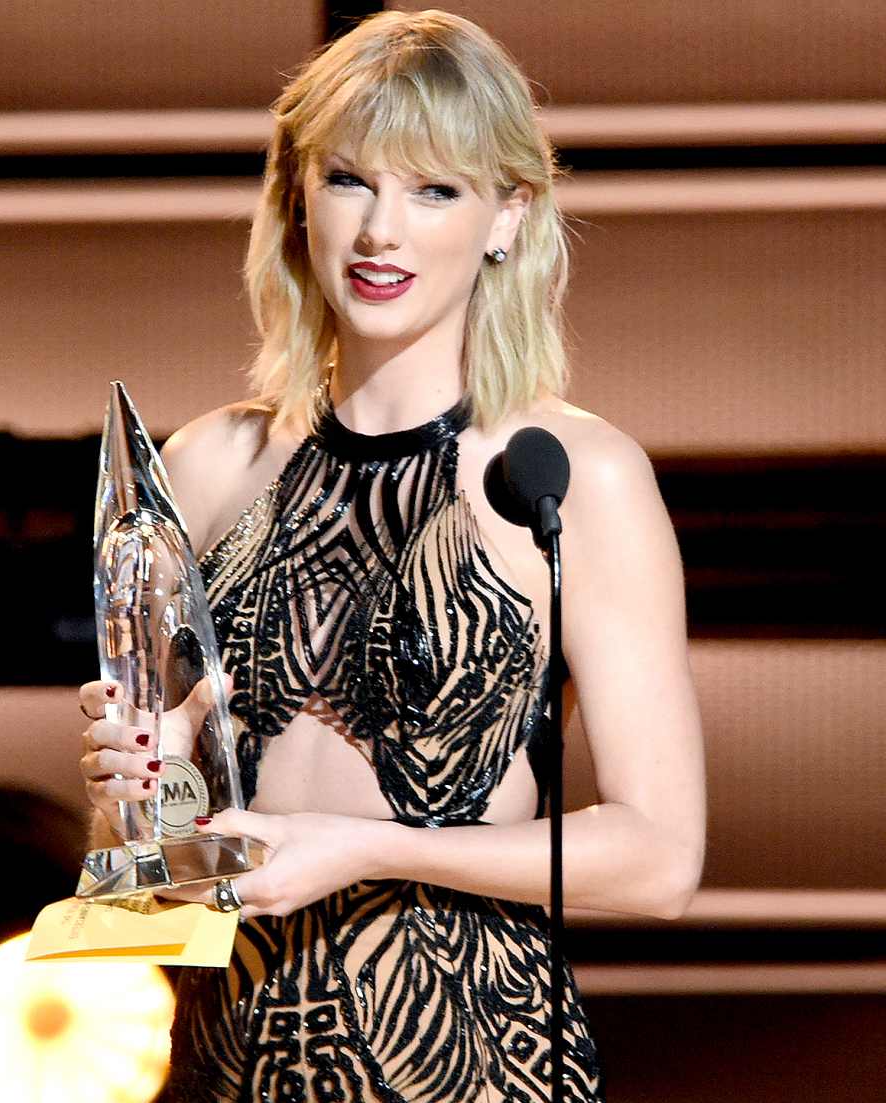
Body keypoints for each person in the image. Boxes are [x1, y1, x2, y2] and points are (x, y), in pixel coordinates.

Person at [78, 9, 706, 1102]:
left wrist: (363, 846)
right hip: (233, 1063)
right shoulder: (208, 463)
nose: (382, 231)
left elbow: (658, 859)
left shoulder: (571, 474)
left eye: (434, 190)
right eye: (350, 180)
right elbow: (152, 873)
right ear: (295, 194)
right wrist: (128, 789)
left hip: (472, 1061)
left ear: (507, 215)